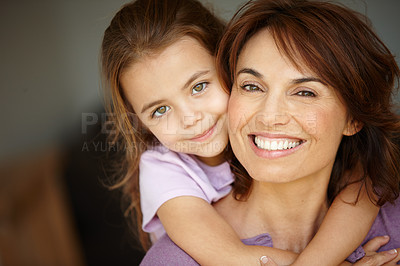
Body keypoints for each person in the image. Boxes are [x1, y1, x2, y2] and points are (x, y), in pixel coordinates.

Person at [101, 0, 397, 265]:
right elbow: (227, 256)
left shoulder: (377, 202)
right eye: (160, 110)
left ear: (226, 67)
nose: (190, 119)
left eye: (199, 87)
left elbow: (367, 190)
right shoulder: (165, 170)